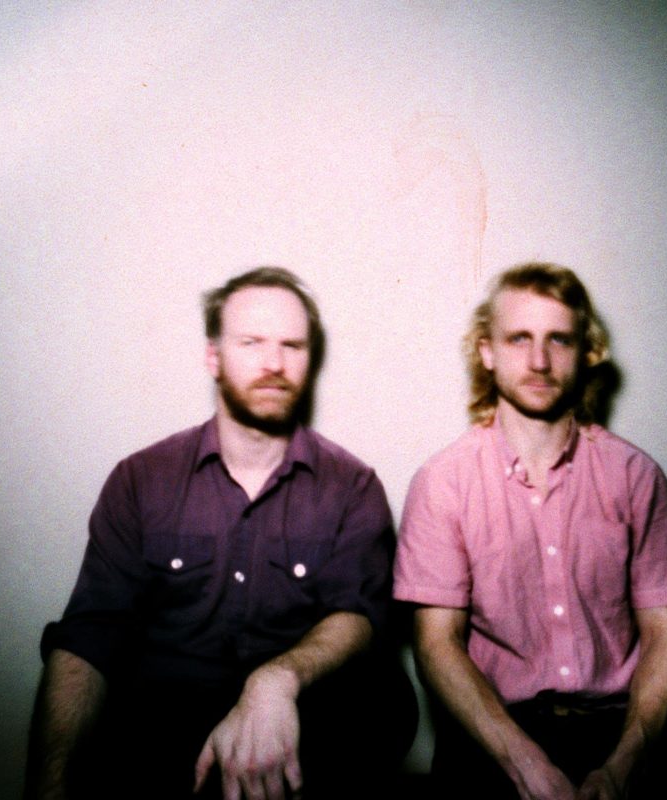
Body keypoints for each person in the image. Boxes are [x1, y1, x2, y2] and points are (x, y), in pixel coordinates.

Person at [25, 267, 416, 800]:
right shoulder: (142, 480)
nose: (274, 363)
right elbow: (90, 637)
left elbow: (359, 615)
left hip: (302, 729)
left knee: (381, 705)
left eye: (292, 346)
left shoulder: (352, 486)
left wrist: (275, 681)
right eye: (252, 343)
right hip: (161, 737)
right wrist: (48, 787)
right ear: (213, 356)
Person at [393, 263, 667, 799]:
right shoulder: (443, 481)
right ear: (487, 352)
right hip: (492, 733)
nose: (539, 361)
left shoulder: (635, 476)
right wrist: (524, 766)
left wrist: (624, 765)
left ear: (585, 352)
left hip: (622, 729)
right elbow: (436, 645)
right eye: (519, 338)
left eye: (559, 339)